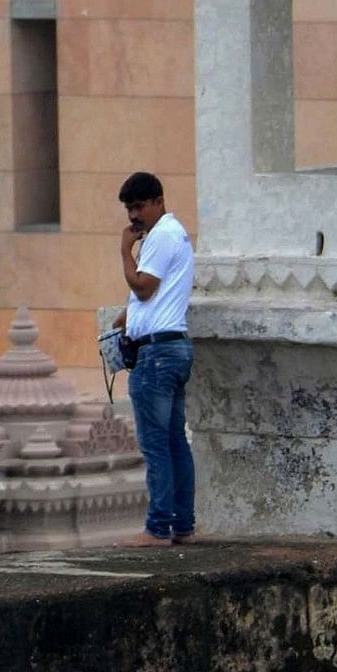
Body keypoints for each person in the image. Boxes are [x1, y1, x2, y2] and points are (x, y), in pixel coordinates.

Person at [117, 169, 198, 545]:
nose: (134, 216)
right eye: (129, 209)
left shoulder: (162, 234)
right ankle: (182, 525)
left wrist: (124, 253)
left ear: (158, 202)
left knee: (156, 444)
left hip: (158, 355)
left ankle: (158, 527)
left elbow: (145, 288)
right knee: (174, 442)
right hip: (174, 347)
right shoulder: (171, 234)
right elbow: (152, 296)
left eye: (138, 207)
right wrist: (128, 314)